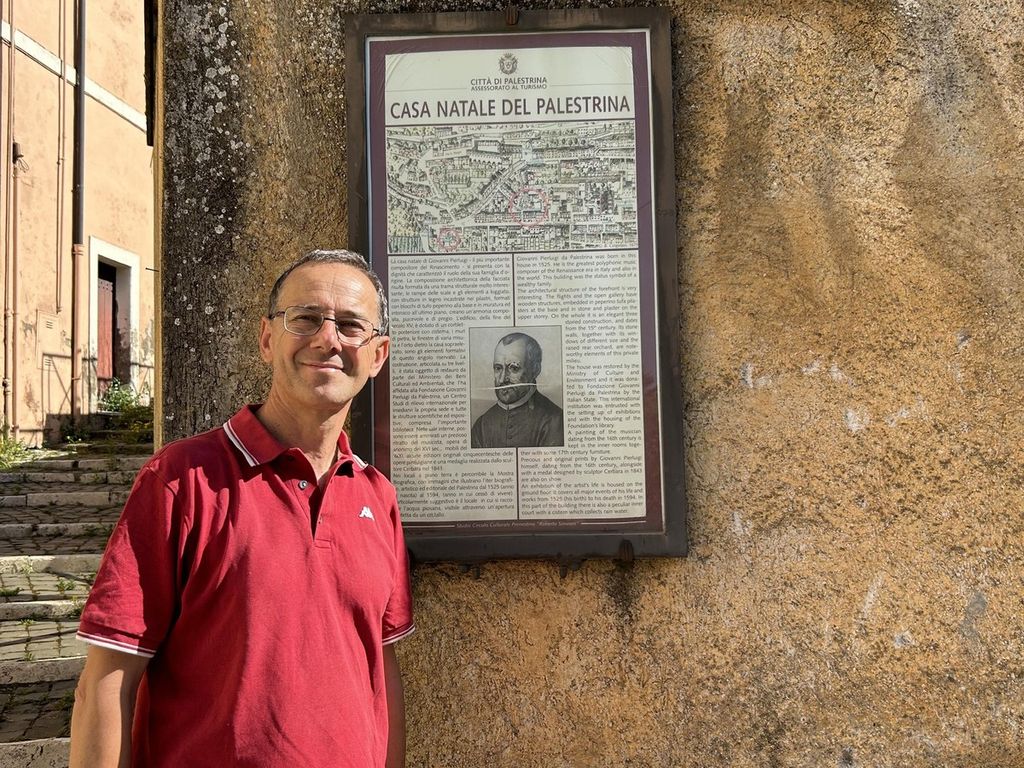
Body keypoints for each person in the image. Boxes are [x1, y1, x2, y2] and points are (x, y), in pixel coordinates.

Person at [70, 250, 414, 768]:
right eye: (306, 318)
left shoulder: (376, 495)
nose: (328, 339)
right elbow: (108, 677)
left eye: (350, 325)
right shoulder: (181, 479)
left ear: (377, 354)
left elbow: (380, 670)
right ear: (267, 339)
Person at [471, 331, 564, 449]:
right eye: (498, 368)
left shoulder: (555, 420)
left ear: (535, 370)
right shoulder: (482, 425)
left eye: (514, 368)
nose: (502, 379)